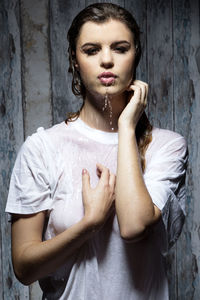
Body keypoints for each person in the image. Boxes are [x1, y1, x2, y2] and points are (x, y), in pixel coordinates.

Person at [6, 3, 188, 299]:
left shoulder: (166, 146)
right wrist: (89, 224)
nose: (106, 60)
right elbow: (24, 268)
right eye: (91, 50)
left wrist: (127, 127)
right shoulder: (42, 149)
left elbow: (133, 225)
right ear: (75, 61)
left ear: (135, 56)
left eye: (120, 48)